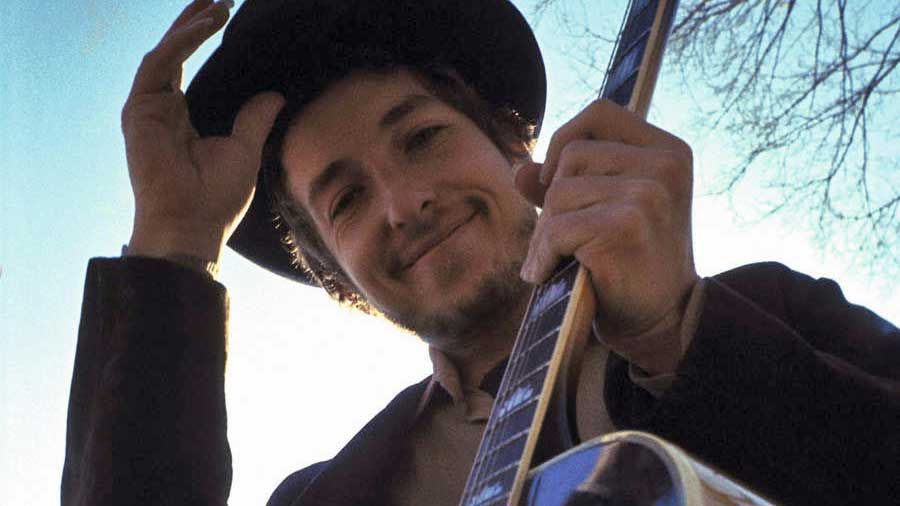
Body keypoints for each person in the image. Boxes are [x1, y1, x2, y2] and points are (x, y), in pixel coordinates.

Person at [62, 0, 900, 505]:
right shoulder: (325, 496)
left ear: (513, 148)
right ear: (333, 272)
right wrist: (171, 246)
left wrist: (682, 337)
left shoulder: (769, 315)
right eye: (346, 199)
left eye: (423, 138)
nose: (403, 202)